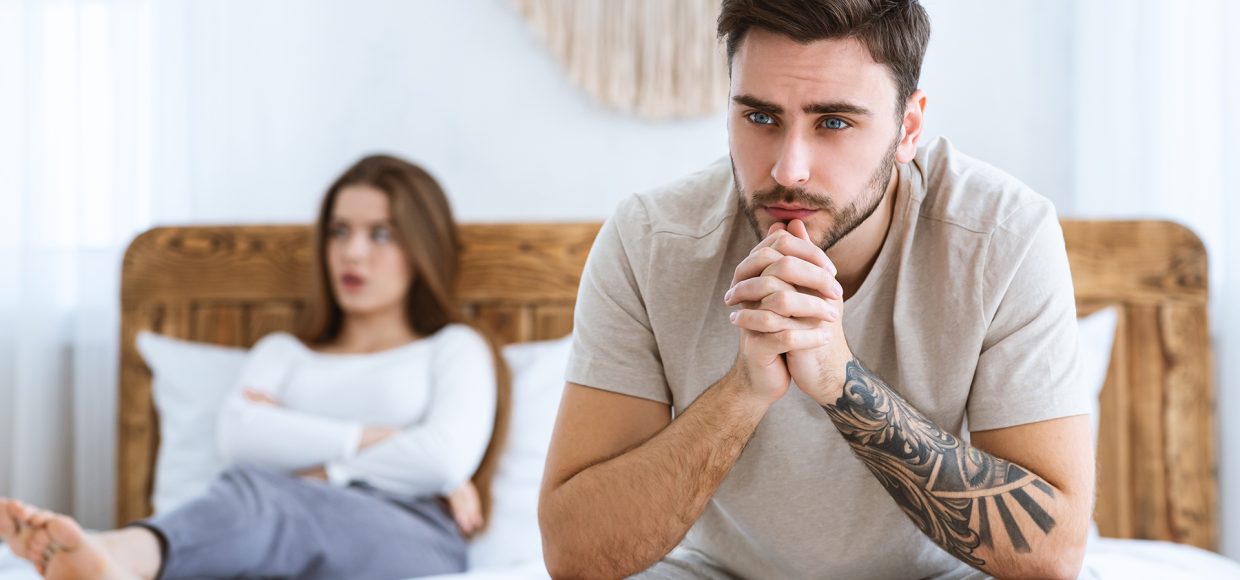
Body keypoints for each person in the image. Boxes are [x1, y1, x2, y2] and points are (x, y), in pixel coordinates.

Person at [538, 1, 1094, 578]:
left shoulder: (1002, 237)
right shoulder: (651, 240)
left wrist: (840, 381)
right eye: (760, 118)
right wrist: (744, 391)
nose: (788, 169)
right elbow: (575, 554)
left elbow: (1051, 554)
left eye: (833, 123)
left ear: (908, 129)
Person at [0, 154, 511, 579]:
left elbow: (443, 460)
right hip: (275, 533)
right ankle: (115, 551)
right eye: (339, 231)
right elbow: (239, 436)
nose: (352, 253)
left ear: (423, 246)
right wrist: (382, 438)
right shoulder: (282, 352)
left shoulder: (455, 347)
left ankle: (122, 555)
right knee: (254, 513)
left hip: (412, 533)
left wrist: (318, 466)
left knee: (256, 495)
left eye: (381, 234)